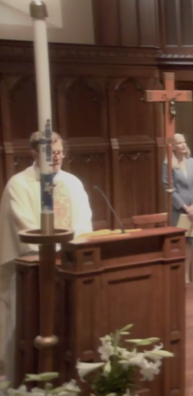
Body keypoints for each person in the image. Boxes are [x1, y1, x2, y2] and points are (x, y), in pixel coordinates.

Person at [0, 131, 93, 381]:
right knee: (25, 325)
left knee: (69, 324)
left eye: (60, 152)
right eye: (50, 154)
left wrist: (72, 247)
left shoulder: (73, 182)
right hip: (31, 268)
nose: (57, 158)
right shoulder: (18, 184)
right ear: (33, 154)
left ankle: (67, 376)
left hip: (69, 266)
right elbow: (24, 224)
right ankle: (20, 377)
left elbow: (84, 220)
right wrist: (54, 250)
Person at [163, 134, 193, 283]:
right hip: (179, 210)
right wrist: (185, 207)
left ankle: (186, 277)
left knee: (190, 243)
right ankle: (177, 277)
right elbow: (169, 189)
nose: (183, 145)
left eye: (184, 142)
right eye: (179, 143)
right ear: (173, 147)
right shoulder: (168, 165)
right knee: (179, 243)